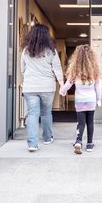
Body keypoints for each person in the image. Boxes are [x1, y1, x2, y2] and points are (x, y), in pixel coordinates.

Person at [21, 23, 64, 152]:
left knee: (33, 114)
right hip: (47, 87)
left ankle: (32, 144)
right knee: (46, 113)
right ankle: (47, 138)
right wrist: (62, 85)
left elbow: (22, 69)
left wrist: (29, 78)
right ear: (47, 35)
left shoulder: (26, 50)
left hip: (30, 87)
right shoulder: (51, 50)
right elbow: (57, 68)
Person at [59, 44, 102, 154]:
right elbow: (98, 86)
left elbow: (68, 84)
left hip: (79, 101)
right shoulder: (94, 71)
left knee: (81, 123)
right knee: (90, 122)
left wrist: (62, 91)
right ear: (91, 57)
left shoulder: (74, 72)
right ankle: (89, 144)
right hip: (91, 100)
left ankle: (78, 141)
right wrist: (99, 99)